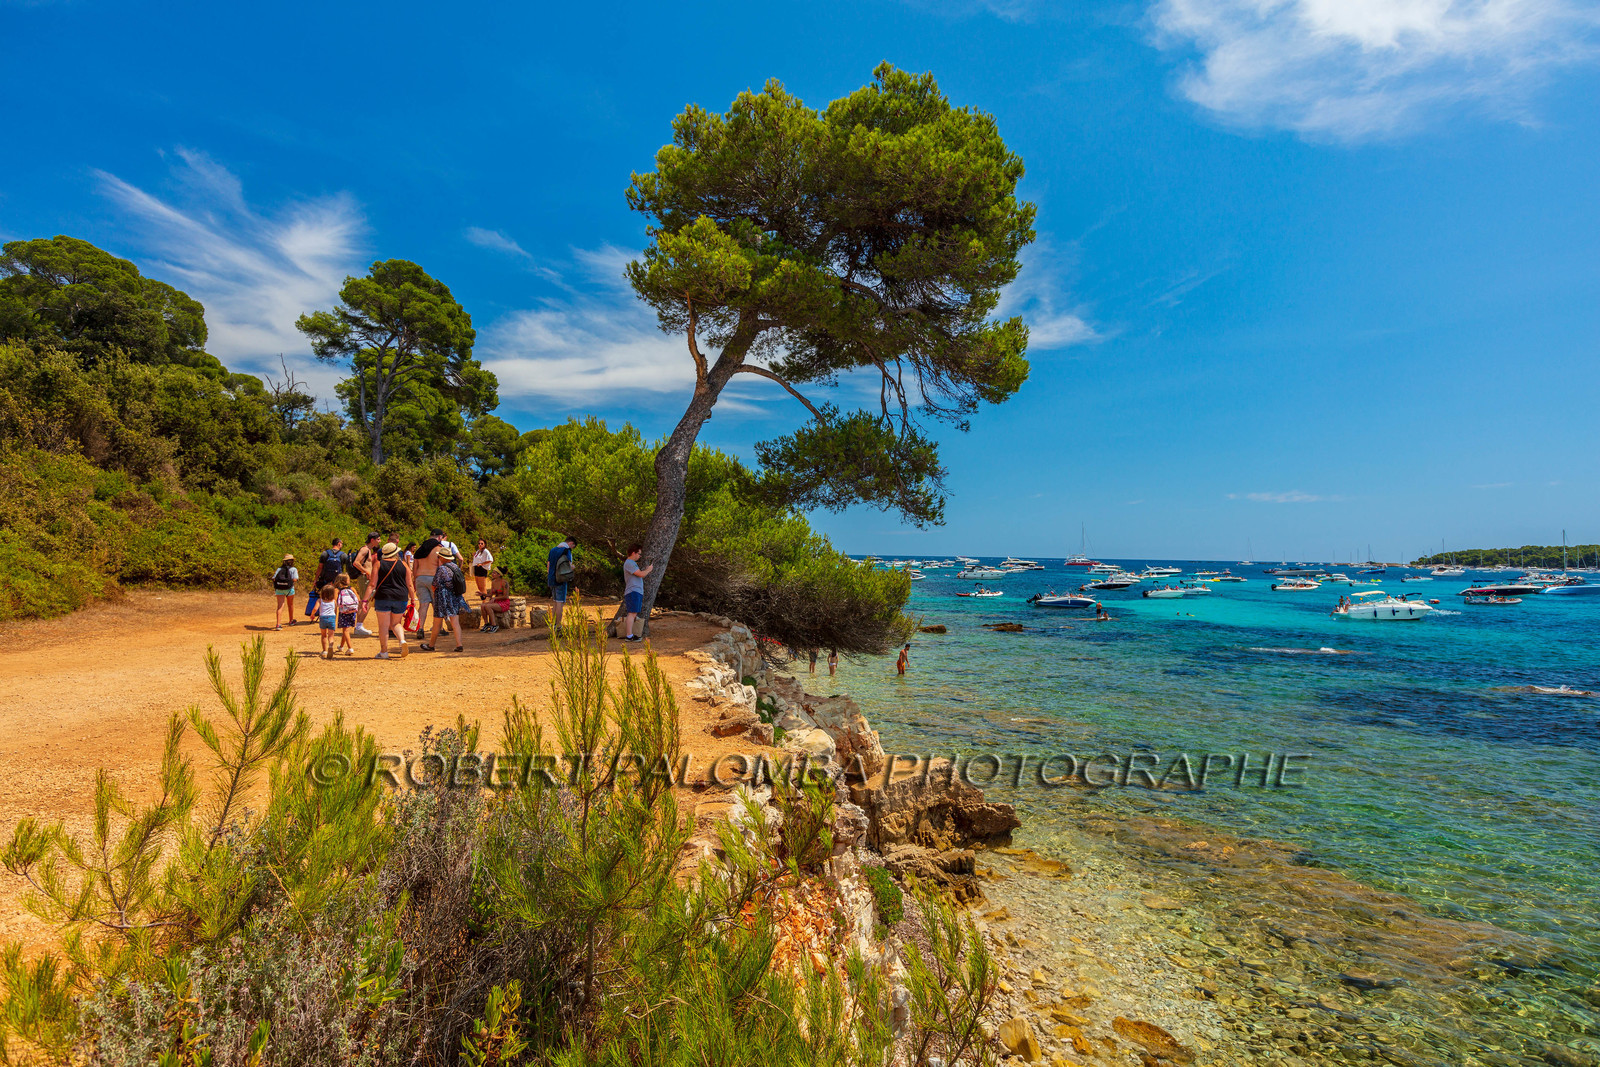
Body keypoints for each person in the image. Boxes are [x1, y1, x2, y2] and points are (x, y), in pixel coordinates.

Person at [367, 542, 413, 660]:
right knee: (396, 623)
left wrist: (364, 600)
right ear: (396, 553)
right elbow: (410, 584)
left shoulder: (378, 564)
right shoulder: (403, 564)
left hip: (383, 597)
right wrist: (413, 599)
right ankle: (402, 640)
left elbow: (372, 584)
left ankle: (384, 652)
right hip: (401, 597)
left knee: (383, 626)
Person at [424, 546, 468, 652]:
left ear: (443, 558)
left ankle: (431, 645)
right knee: (455, 621)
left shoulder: (442, 569)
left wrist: (435, 595)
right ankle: (459, 644)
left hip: (443, 596)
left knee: (437, 622)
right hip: (455, 596)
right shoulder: (456, 567)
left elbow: (434, 584)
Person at [412, 528, 445, 639]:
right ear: (440, 537)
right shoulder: (439, 549)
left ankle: (420, 628)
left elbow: (414, 567)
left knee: (424, 604)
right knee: (437, 604)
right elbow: (441, 567)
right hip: (433, 577)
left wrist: (415, 580)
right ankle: (439, 628)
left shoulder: (420, 549)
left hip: (420, 578)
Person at [306, 538, 345, 622]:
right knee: (334, 599)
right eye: (341, 543)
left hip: (325, 580)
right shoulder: (343, 555)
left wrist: (316, 579)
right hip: (337, 581)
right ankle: (333, 617)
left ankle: (322, 615)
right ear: (339, 544)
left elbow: (320, 567)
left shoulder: (325, 553)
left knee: (323, 598)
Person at [620, 544, 653, 641]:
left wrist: (646, 570)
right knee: (632, 614)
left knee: (633, 613)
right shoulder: (629, 563)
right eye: (639, 554)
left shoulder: (632, 563)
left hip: (636, 591)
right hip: (633, 591)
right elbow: (641, 574)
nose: (640, 556)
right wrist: (649, 570)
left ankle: (630, 634)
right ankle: (629, 635)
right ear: (633, 553)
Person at [350, 533, 380, 637]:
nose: (379, 541)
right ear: (372, 540)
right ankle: (358, 626)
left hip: (366, 578)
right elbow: (356, 563)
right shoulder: (365, 549)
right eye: (378, 539)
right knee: (365, 600)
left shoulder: (368, 550)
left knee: (365, 600)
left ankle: (359, 625)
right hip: (364, 578)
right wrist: (367, 572)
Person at [547, 535, 577, 627]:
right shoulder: (566, 550)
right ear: (571, 543)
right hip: (561, 579)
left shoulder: (552, 550)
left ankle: (553, 623)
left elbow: (548, 565)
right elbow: (569, 565)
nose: (572, 548)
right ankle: (558, 624)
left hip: (551, 578)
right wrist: (573, 568)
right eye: (573, 546)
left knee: (555, 601)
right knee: (560, 602)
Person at [334, 574, 359, 655]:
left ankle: (350, 648)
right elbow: (358, 599)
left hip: (343, 611)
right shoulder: (352, 588)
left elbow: (334, 602)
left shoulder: (337, 590)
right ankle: (341, 646)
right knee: (346, 629)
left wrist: (334, 612)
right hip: (352, 611)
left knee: (345, 630)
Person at [480, 569, 512, 633]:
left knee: (488, 606)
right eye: (492, 573)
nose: (492, 574)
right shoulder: (493, 582)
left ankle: (494, 625)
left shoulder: (504, 583)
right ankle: (486, 624)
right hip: (496, 602)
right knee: (483, 605)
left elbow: (506, 596)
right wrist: (483, 594)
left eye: (494, 573)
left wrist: (495, 598)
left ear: (499, 574)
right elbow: (490, 595)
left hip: (504, 603)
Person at [272, 555, 298, 630]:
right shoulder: (294, 569)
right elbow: (295, 579)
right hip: (289, 589)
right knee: (290, 605)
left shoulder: (279, 569)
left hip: (279, 589)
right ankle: (291, 621)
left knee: (280, 606)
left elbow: (274, 578)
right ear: (292, 561)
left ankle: (278, 624)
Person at [316, 583, 338, 658]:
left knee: (324, 635)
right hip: (332, 618)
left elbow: (315, 609)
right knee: (331, 636)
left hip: (323, 618)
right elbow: (335, 611)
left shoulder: (320, 600)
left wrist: (312, 615)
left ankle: (324, 651)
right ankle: (331, 646)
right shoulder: (334, 601)